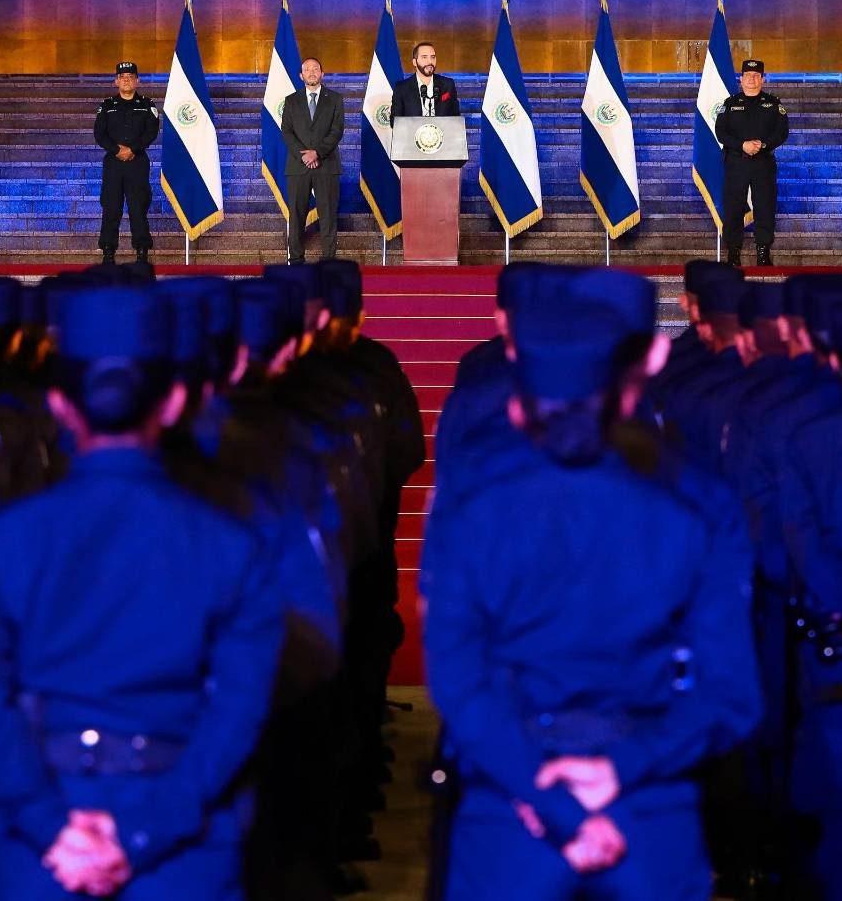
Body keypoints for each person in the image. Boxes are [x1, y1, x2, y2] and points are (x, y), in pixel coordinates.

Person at [0, 286, 284, 899]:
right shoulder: (233, 546)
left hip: (36, 847)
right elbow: (238, 709)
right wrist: (145, 833)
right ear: (176, 400)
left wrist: (50, 826)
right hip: (181, 846)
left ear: (59, 405)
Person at [423, 298, 761, 900]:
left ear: (517, 400)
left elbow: (458, 683)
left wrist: (543, 795)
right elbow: (730, 693)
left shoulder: (471, 508)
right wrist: (620, 771)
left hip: (509, 810)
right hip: (649, 813)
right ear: (630, 389)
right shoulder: (696, 508)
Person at [714, 60, 789, 267]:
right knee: (733, 208)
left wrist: (763, 145)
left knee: (765, 207)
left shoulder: (773, 104)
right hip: (736, 163)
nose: (752, 79)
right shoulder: (730, 104)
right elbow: (721, 132)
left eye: (757, 76)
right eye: (748, 75)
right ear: (741, 79)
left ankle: (763, 253)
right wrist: (742, 145)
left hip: (763, 164)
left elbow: (782, 132)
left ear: (763, 79)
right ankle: (733, 253)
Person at [279, 57, 345, 264]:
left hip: (327, 165)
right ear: (301, 76)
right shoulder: (291, 100)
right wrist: (305, 155)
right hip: (298, 167)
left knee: (328, 216)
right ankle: (296, 261)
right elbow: (287, 132)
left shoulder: (335, 99)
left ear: (322, 74)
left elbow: (337, 131)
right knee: (297, 216)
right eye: (307, 69)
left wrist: (317, 153)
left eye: (315, 68)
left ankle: (328, 262)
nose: (311, 72)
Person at [94, 62, 160, 266]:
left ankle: (141, 250)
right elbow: (99, 134)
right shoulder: (106, 106)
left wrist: (133, 149)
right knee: (111, 206)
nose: (126, 80)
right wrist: (117, 150)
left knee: (137, 206)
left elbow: (151, 132)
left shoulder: (147, 104)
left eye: (130, 76)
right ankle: (108, 250)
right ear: (116, 81)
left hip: (137, 162)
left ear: (137, 80)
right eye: (122, 77)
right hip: (113, 163)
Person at [391, 41, 461, 120]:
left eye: (433, 57)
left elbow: (456, 119)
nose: (430, 61)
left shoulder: (448, 84)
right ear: (414, 62)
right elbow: (395, 121)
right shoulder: (402, 88)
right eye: (424, 57)